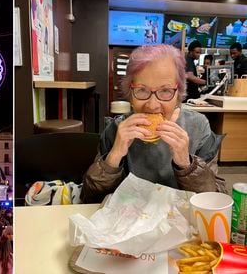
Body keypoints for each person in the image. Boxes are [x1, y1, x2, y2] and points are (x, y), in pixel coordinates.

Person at [81, 44, 226, 204]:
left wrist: (187, 165)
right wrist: (113, 159)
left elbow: (217, 196)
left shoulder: (198, 127)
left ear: (178, 92)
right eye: (142, 90)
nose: (152, 105)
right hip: (128, 223)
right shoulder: (116, 130)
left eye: (165, 91)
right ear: (130, 92)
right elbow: (90, 198)